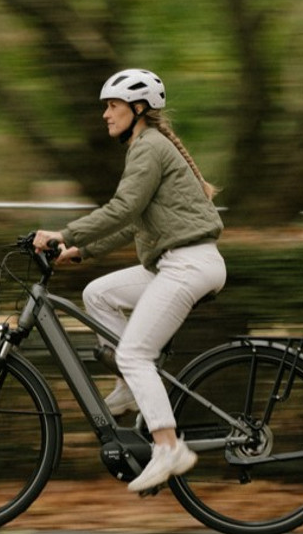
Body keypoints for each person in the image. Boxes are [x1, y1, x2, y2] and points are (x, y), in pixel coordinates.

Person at [33, 68, 225, 493]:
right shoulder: (146, 147)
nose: (106, 114)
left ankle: (168, 446)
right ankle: (129, 387)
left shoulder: (148, 148)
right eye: (106, 106)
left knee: (136, 353)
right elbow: (135, 222)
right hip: (175, 263)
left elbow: (121, 208)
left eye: (113, 105)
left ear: (138, 109)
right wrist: (82, 251)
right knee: (97, 293)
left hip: (187, 264)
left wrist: (65, 233)